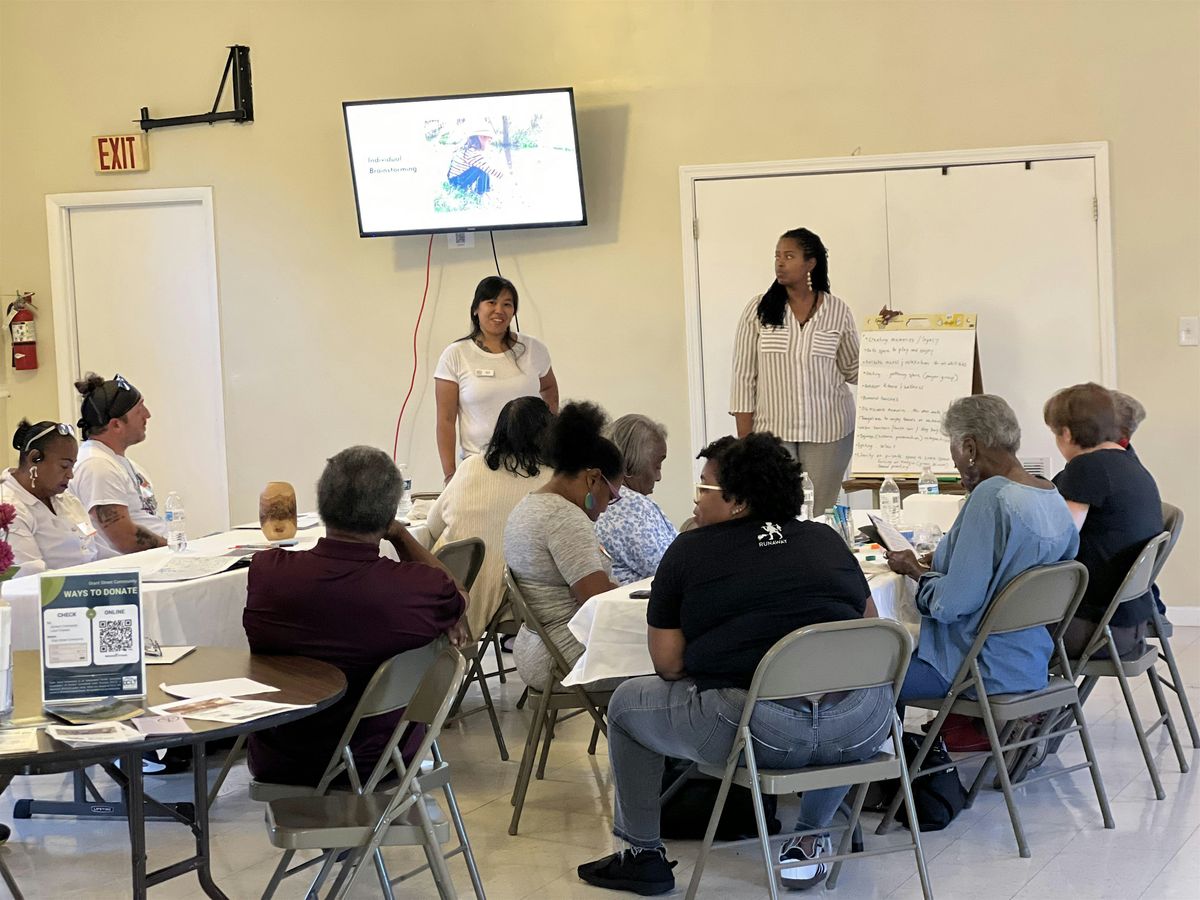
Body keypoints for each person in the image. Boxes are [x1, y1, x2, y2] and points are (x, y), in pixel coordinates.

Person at [577, 432, 891, 896]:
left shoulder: (689, 552)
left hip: (759, 731)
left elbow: (668, 664)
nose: (696, 497)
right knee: (848, 687)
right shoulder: (826, 540)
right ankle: (808, 839)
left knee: (625, 704)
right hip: (861, 727)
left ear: (738, 500)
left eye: (704, 486)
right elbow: (870, 635)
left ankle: (642, 854)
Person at [243, 446, 468, 786]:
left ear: (321, 506)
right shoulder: (418, 587)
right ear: (389, 511)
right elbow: (460, 596)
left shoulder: (267, 573)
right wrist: (399, 533)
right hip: (376, 760)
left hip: (281, 760)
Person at [886, 396, 1079, 733]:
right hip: (1029, 661)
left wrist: (917, 572)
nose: (956, 460)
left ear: (970, 446)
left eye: (956, 450)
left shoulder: (991, 498)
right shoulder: (1052, 497)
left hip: (974, 666)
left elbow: (952, 605)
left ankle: (889, 773)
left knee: (868, 676)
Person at [729, 227, 859, 515]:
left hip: (830, 430)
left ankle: (819, 559)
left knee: (821, 512)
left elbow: (854, 369)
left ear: (810, 263)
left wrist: (885, 335)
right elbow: (743, 376)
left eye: (789, 256)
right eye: (777, 256)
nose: (780, 263)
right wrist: (745, 440)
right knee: (776, 511)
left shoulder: (838, 311)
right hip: (773, 433)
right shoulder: (759, 309)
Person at [503, 401, 622, 691]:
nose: (606, 508)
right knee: (671, 665)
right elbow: (596, 601)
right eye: (612, 495)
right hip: (569, 658)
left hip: (538, 649)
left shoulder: (529, 506)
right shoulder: (565, 518)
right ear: (594, 478)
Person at [1044, 383, 1163, 659]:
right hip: (1129, 624)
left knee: (990, 627)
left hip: (1096, 630)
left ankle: (1029, 701)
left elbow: (1058, 542)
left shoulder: (1086, 467)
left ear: (1066, 433)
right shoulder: (1131, 465)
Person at [428, 396, 554, 638]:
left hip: (450, 596)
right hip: (515, 605)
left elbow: (433, 527)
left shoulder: (471, 466)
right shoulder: (553, 479)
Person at [435, 276, 559, 483]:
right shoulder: (455, 355)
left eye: (507, 304)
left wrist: (545, 434)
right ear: (476, 308)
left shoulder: (533, 349)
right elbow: (445, 420)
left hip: (530, 465)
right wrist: (450, 475)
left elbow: (549, 389)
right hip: (477, 467)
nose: (499, 310)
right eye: (491, 302)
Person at [70, 373, 167, 554]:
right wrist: (173, 547)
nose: (148, 415)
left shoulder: (116, 462)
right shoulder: (97, 466)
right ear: (116, 425)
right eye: (140, 410)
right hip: (134, 571)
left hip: (153, 561)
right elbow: (125, 539)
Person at [1, 419, 113, 574]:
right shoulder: (8, 509)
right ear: (34, 458)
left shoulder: (66, 499)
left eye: (72, 466)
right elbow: (29, 579)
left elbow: (96, 550)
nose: (71, 474)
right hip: (55, 594)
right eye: (64, 466)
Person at [595, 414, 677, 585]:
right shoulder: (632, 506)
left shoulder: (599, 498)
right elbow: (673, 570)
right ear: (630, 463)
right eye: (657, 466)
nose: (659, 477)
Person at [446, 124, 504, 195]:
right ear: (481, 137)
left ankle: (484, 193)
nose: (488, 144)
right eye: (488, 141)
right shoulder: (472, 152)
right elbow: (490, 169)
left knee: (483, 167)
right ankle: (480, 195)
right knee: (483, 169)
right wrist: (507, 177)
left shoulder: (466, 148)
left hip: (454, 180)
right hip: (457, 183)